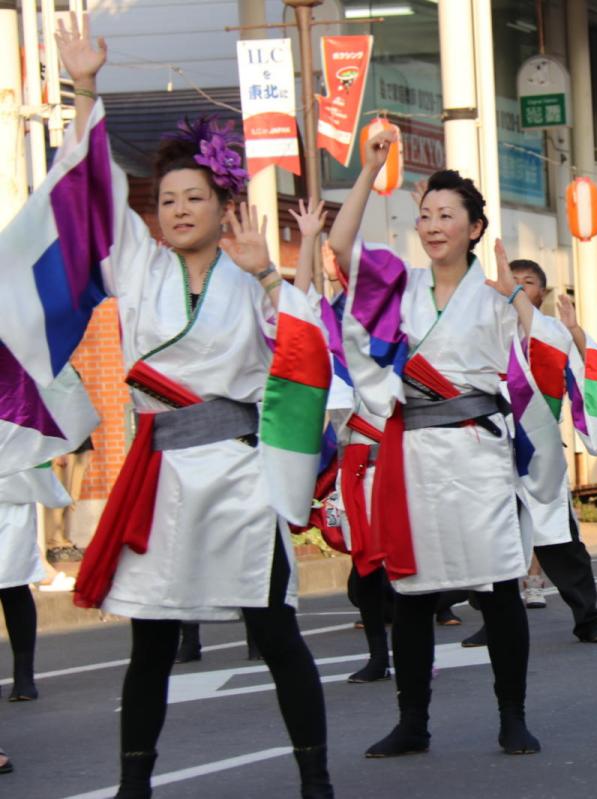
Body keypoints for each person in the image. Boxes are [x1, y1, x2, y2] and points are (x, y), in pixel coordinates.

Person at [41, 17, 334, 798]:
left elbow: (305, 359)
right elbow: (95, 186)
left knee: (276, 632)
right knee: (152, 642)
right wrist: (85, 87)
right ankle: (134, 784)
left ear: (221, 202)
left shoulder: (252, 278)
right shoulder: (138, 266)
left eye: (192, 197)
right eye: (166, 198)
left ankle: (315, 777)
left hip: (239, 478)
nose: (176, 209)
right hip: (163, 477)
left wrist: (268, 274)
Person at [329, 127, 546, 756]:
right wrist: (369, 172)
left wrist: (517, 300)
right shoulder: (400, 287)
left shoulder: (497, 291)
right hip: (413, 456)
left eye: (447, 215)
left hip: (478, 453)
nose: (432, 226)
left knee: (497, 586)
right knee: (412, 591)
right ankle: (413, 722)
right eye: (425, 215)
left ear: (474, 228)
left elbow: (539, 362)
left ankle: (512, 715)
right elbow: (340, 248)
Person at [459, 259, 597, 647]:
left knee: (560, 541)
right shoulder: (482, 332)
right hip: (490, 450)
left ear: (540, 294)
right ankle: (494, 621)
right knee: (490, 541)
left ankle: (590, 618)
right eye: (510, 280)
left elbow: (589, 369)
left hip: (538, 451)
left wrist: (575, 331)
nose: (514, 287)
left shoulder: (551, 334)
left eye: (525, 282)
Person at [0, 467, 71, 702]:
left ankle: (24, 676)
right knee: (14, 587)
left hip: (13, 503)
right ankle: (23, 678)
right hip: (14, 498)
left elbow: (35, 453)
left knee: (14, 586)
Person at [46, 437, 92, 563]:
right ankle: (55, 543)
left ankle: (64, 541)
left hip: (80, 444)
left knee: (71, 499)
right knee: (59, 497)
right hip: (63, 446)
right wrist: (58, 449)